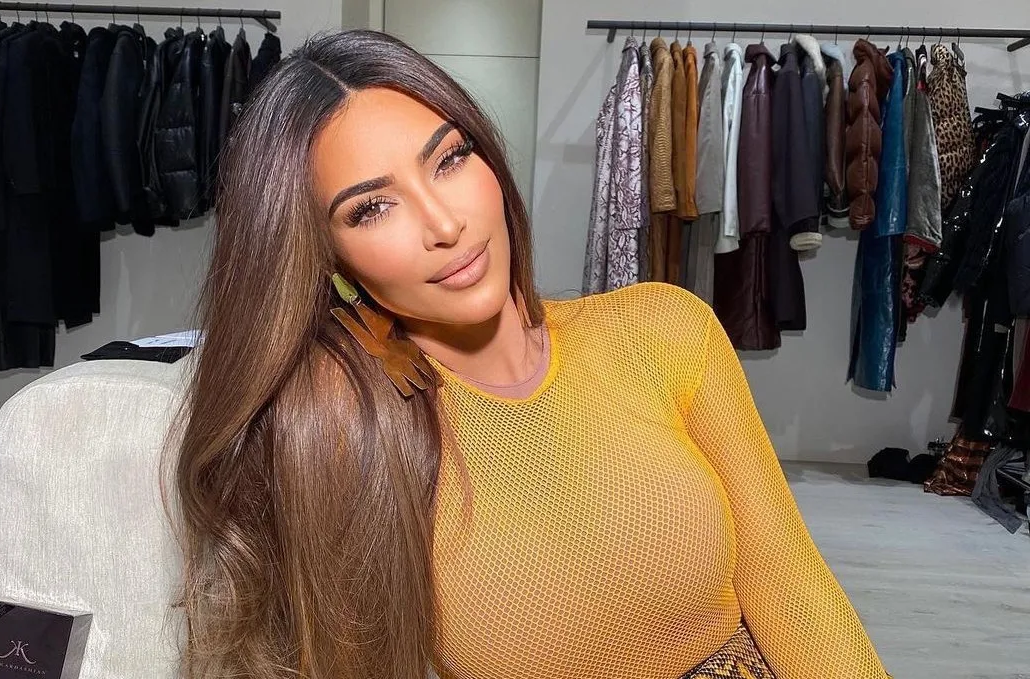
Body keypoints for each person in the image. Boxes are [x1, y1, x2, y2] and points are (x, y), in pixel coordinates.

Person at [171, 29, 891, 679]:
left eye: (449, 159)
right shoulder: (344, 426)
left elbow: (790, 582)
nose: (444, 223)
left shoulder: (665, 331)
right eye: (372, 208)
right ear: (327, 259)